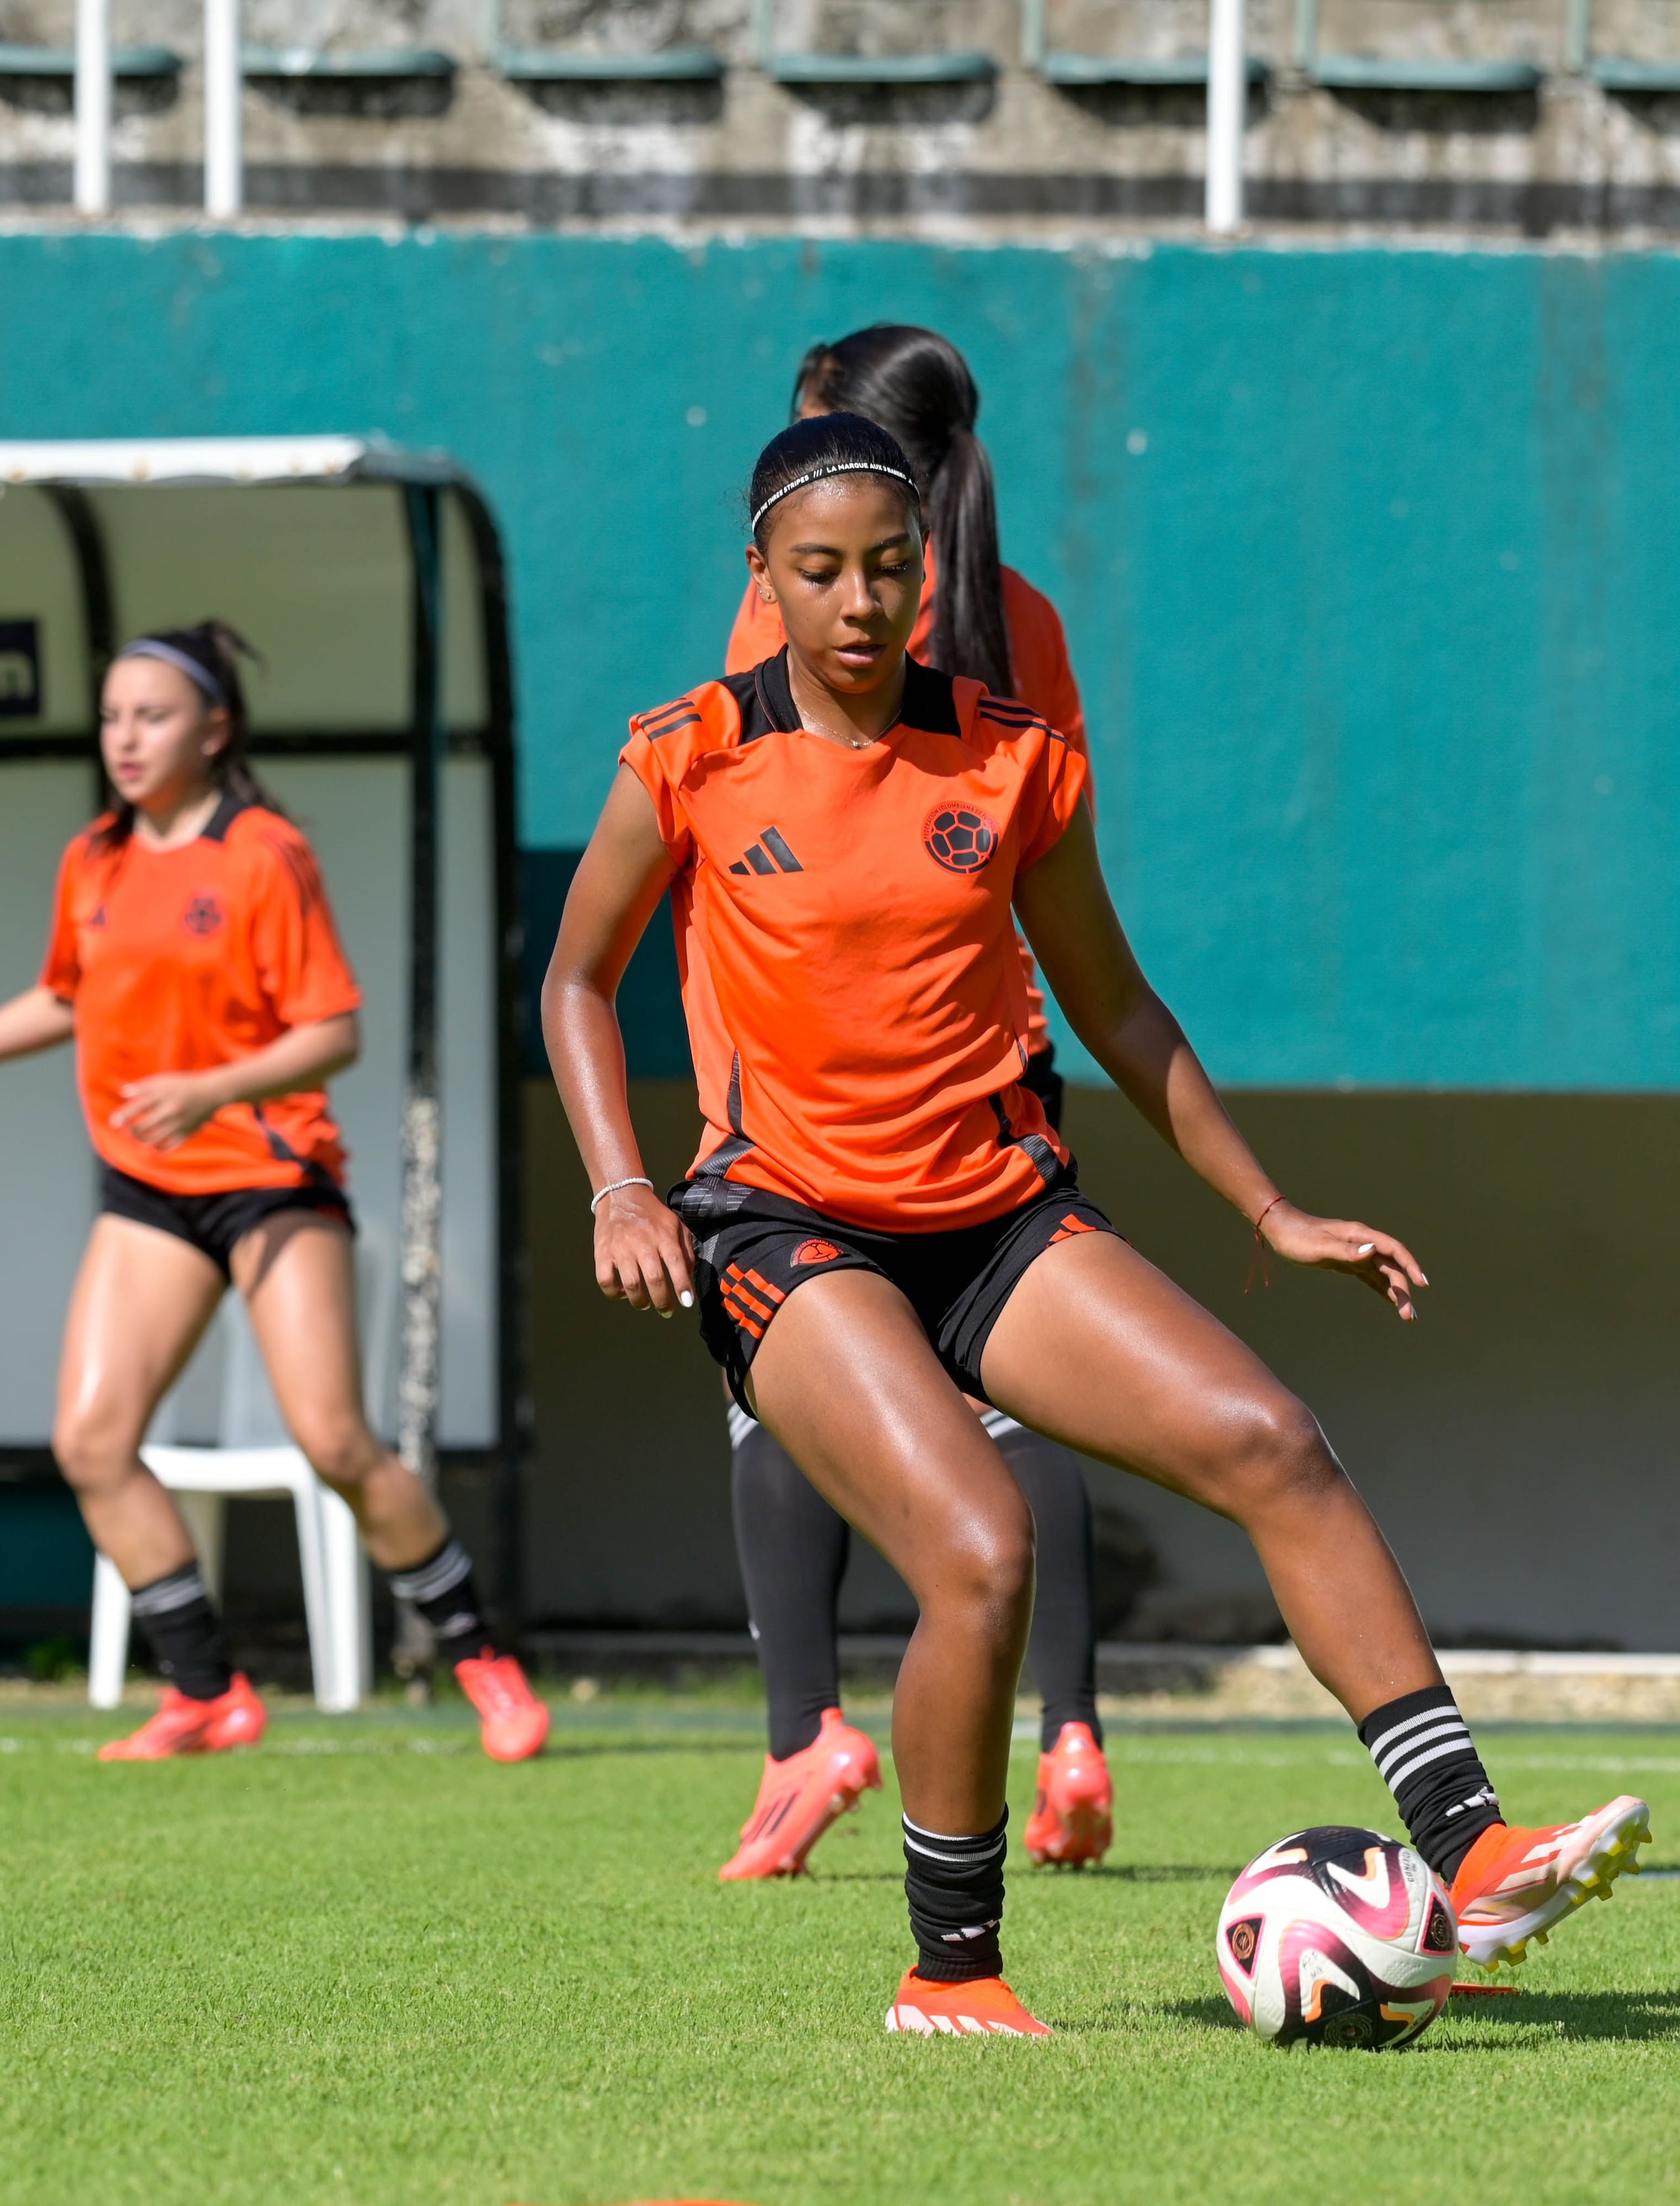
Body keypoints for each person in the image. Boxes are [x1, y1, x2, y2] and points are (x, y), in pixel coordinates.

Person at [542, 415, 1650, 2036]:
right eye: (820, 571)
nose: (859, 601)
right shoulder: (688, 754)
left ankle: (1473, 1851)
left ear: (929, 573)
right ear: (761, 576)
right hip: (781, 1227)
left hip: (994, 1217)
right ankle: (952, 1969)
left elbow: (1119, 1008)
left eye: (890, 568)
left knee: (1271, 1439)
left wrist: (1271, 1206)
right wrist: (620, 1181)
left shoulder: (1009, 754)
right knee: (980, 1545)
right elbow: (574, 978)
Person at [0, 621, 548, 1765]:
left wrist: (209, 1090)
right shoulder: (94, 857)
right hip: (149, 1188)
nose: (125, 739)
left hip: (272, 1183)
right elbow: (64, 996)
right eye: (111, 717)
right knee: (91, 1440)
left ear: (215, 729)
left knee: (334, 1439)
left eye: (153, 716)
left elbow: (334, 1031)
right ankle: (207, 1692)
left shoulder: (263, 852)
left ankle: (481, 1656)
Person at [713, 326, 1115, 1883]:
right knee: (1019, 1386)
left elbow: (742, 781)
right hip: (989, 1053)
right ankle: (1069, 1723)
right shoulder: (1025, 614)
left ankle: (801, 1729)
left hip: (824, 1060)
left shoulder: (809, 583)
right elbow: (1064, 862)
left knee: (775, 1376)